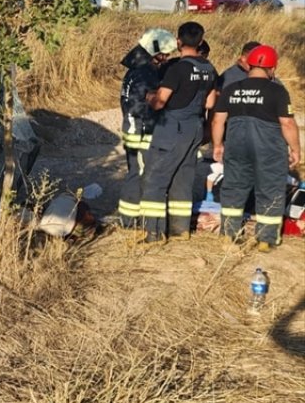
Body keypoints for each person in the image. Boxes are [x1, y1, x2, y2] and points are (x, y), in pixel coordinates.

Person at [211, 45, 300, 251]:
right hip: (268, 148)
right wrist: (296, 149)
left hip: (236, 146)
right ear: (272, 68)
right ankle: (265, 239)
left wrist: (217, 145)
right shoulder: (277, 90)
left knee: (233, 188)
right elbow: (287, 123)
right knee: (270, 190)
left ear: (248, 64)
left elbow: (218, 121)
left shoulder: (232, 88)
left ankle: (229, 234)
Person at [138, 21, 218, 242]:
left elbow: (160, 102)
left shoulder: (177, 69)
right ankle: (180, 230)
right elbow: (211, 102)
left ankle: (153, 233)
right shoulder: (208, 69)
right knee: (183, 179)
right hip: (194, 128)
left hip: (172, 128)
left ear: (178, 42)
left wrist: (147, 96)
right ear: (201, 42)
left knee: (154, 180)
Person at [117, 28, 178, 229]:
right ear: (156, 51)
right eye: (166, 54)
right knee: (140, 172)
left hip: (132, 126)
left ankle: (129, 218)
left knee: (136, 170)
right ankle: (129, 221)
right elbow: (154, 102)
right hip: (141, 129)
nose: (167, 57)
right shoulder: (146, 73)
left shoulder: (136, 70)